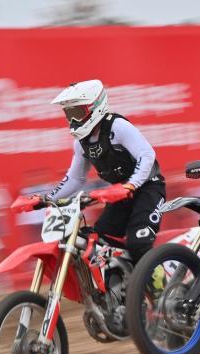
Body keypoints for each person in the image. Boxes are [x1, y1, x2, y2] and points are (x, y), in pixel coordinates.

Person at [43, 79, 166, 263]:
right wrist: (47, 199)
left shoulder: (117, 126)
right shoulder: (80, 143)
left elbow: (146, 155)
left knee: (138, 243)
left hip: (148, 189)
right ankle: (124, 277)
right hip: (119, 195)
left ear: (95, 107)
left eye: (77, 113)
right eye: (69, 114)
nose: (73, 120)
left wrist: (131, 185)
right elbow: (75, 179)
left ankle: (158, 278)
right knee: (99, 242)